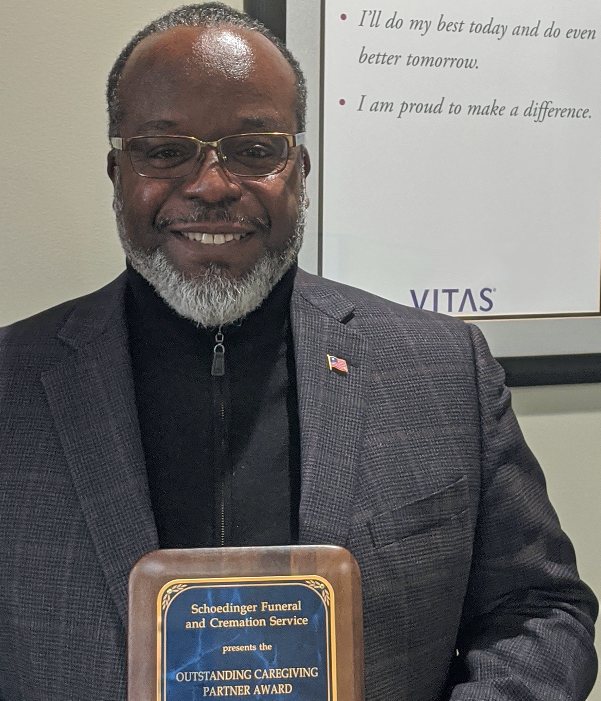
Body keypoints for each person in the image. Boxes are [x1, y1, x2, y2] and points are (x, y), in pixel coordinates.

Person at [0, 3, 597, 700]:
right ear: (116, 170)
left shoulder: (441, 371)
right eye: (164, 150)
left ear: (300, 169)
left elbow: (539, 610)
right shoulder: (13, 385)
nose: (212, 185)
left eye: (254, 150)